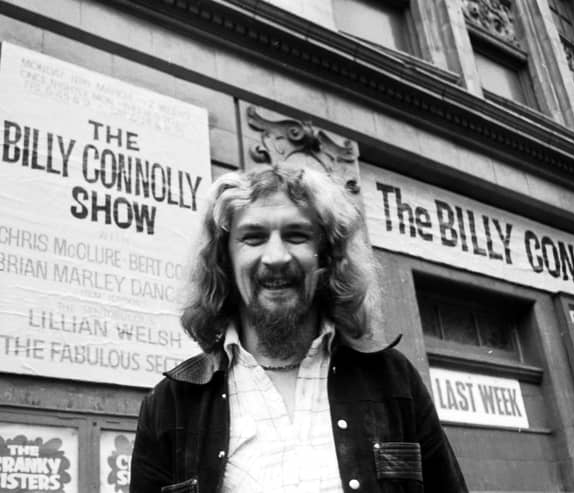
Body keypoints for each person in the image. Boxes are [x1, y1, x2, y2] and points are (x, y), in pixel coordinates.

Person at [130, 162, 468, 493]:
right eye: (253, 237)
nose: (276, 256)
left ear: (325, 256)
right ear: (225, 262)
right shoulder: (171, 404)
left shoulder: (393, 379)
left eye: (296, 235)